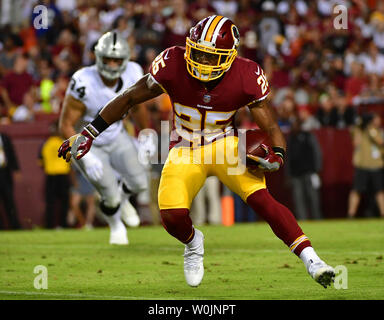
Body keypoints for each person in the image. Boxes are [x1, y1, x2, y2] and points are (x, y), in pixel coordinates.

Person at [58, 15, 335, 288]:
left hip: (225, 145)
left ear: (229, 56)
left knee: (263, 200)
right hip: (184, 147)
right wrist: (89, 133)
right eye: (197, 54)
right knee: (172, 217)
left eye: (209, 56)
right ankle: (193, 243)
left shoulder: (246, 75)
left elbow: (272, 126)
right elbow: (129, 96)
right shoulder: (173, 63)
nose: (201, 62)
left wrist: (278, 156)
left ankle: (312, 260)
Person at [58, 31, 148, 245]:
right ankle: (116, 225)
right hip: (88, 144)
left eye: (117, 59)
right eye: (107, 58)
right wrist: (85, 157)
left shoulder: (134, 73)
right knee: (110, 195)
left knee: (139, 182)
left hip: (117, 137)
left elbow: (138, 108)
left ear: (125, 60)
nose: (112, 64)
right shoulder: (83, 82)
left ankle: (123, 200)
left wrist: (146, 134)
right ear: (98, 57)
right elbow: (66, 124)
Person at [348, 113, 384, 218]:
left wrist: (370, 130)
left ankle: (383, 213)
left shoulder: (378, 131)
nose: (379, 121)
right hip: (362, 165)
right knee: (356, 190)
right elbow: (355, 140)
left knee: (380, 191)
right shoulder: (359, 130)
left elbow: (380, 142)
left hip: (376, 165)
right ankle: (350, 214)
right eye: (377, 119)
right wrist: (361, 125)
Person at [286, 117, 323, 220]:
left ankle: (317, 219)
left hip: (309, 172)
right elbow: (288, 158)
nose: (293, 128)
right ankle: (303, 220)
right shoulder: (290, 139)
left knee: (313, 197)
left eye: (295, 125)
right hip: (296, 174)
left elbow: (317, 153)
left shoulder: (308, 136)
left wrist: (317, 169)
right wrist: (288, 175)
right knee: (298, 199)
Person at [39, 123, 71, 229]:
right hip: (61, 175)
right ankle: (63, 224)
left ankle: (50, 225)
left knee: (51, 202)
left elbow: (40, 162)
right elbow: (70, 159)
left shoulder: (45, 143)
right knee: (63, 202)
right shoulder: (64, 142)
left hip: (52, 175)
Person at [0, 132, 21, 229]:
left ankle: (15, 226)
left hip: (5, 172)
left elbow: (11, 153)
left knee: (9, 200)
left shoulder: (5, 138)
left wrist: (16, 169)